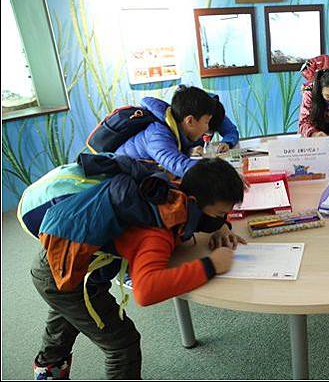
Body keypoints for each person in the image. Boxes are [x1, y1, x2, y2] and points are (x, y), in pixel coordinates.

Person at [31, 158, 246, 379]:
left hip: (67, 264)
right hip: (63, 274)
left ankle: (48, 370)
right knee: (123, 344)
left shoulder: (170, 193)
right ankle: (49, 370)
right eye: (220, 214)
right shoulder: (155, 231)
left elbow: (199, 219)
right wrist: (211, 265)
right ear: (193, 202)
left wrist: (220, 226)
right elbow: (146, 291)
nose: (222, 219)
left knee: (66, 321)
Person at [115, 85, 240, 178]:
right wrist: (225, 175)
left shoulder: (175, 127)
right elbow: (180, 165)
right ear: (190, 121)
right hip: (122, 184)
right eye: (206, 123)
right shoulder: (158, 135)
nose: (207, 129)